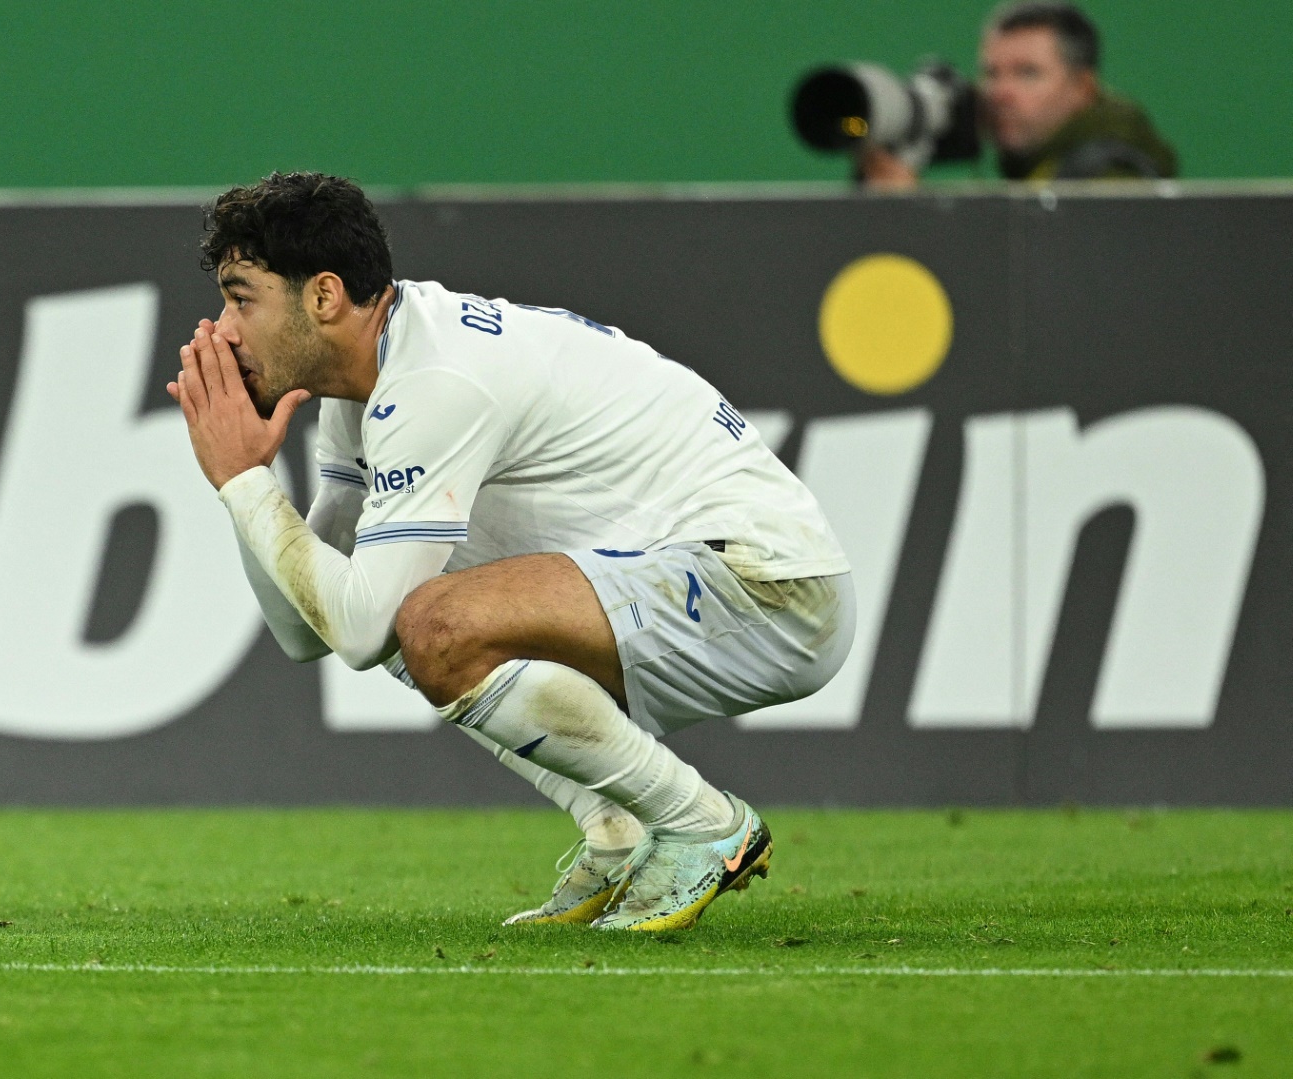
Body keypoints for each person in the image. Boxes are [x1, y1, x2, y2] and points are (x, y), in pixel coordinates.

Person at [169, 172, 854, 932]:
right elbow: (308, 628)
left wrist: (239, 480)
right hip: (678, 565)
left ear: (324, 296)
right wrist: (248, 479)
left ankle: (701, 820)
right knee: (403, 601)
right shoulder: (367, 385)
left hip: (768, 586)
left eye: (241, 297)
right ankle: (617, 827)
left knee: (428, 621)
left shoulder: (433, 381)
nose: (222, 329)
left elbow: (361, 629)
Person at [862, 1, 1177, 189]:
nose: (1000, 93)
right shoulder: (1037, 172)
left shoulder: (1111, 179)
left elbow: (1042, 280)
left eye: (1028, 73)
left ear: (1082, 89)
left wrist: (911, 219)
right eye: (991, 73)